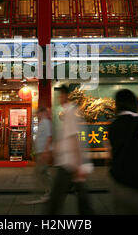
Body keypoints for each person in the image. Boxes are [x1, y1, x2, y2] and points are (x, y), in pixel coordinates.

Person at [45, 85, 93, 215]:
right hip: (69, 161)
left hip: (69, 162)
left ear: (66, 96)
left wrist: (78, 164)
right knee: (82, 197)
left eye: (60, 95)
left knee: (56, 198)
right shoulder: (68, 112)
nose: (59, 98)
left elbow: (73, 137)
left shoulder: (70, 112)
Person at [25, 107, 53, 204]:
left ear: (42, 113)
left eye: (38, 113)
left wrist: (46, 151)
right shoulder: (41, 123)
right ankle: (49, 191)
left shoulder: (45, 122)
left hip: (43, 152)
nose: (37, 115)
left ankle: (50, 192)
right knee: (42, 172)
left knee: (42, 172)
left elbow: (49, 137)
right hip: (39, 152)